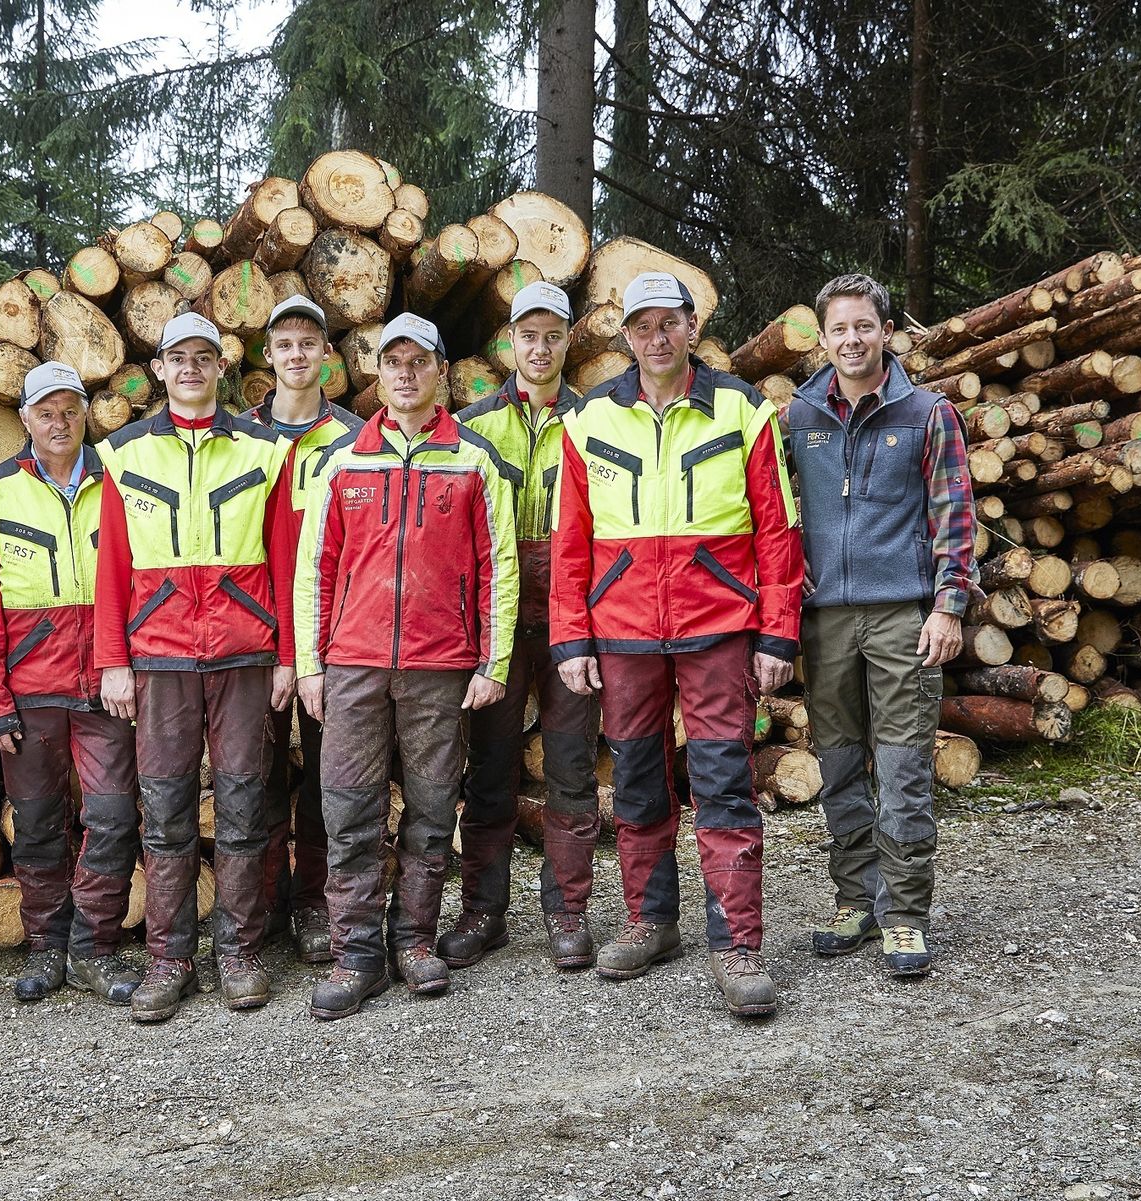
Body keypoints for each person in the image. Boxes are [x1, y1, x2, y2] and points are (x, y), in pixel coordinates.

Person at [550, 272, 802, 1018]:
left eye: (669, 323)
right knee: (636, 782)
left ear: (692, 327)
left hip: (718, 624)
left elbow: (778, 532)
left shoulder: (743, 408)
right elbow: (570, 541)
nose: (656, 339)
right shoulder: (589, 419)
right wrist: (571, 638)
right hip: (623, 629)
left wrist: (778, 630)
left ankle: (737, 941)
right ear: (624, 335)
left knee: (724, 780)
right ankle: (650, 920)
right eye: (642, 326)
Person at [292, 312, 519, 1020]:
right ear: (377, 373)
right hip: (353, 665)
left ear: (440, 371)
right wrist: (309, 663)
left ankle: (415, 940)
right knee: (350, 811)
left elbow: (499, 567)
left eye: (418, 360)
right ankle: (358, 954)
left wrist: (495, 659)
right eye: (393, 361)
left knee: (428, 809)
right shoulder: (343, 460)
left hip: (440, 665)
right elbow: (313, 571)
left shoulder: (474, 460)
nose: (405, 372)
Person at [94, 311, 295, 1023]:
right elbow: (111, 566)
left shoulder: (266, 451)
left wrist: (290, 656)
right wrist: (111, 659)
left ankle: (237, 953)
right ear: (158, 369)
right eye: (177, 357)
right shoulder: (121, 454)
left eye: (203, 357)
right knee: (167, 811)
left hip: (245, 652)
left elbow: (285, 555)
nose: (189, 368)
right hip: (159, 656)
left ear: (221, 367)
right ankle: (168, 959)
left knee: (243, 806)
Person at [786, 273, 977, 977]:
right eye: (839, 328)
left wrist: (949, 605)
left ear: (887, 332)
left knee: (900, 771)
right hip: (825, 620)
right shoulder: (799, 416)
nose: (852, 339)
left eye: (864, 325)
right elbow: (774, 511)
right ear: (823, 336)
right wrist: (786, 576)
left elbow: (955, 517)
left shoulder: (927, 413)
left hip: (904, 615)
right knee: (838, 767)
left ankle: (905, 915)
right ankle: (854, 901)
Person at [0, 361, 143, 1006]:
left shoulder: (119, 479)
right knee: (37, 823)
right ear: (25, 418)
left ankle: (94, 946)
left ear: (84, 414)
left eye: (69, 410)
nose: (58, 423)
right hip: (28, 688)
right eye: (45, 412)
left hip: (104, 685)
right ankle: (46, 946)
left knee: (114, 817)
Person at [448, 281, 603, 971]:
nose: (539, 349)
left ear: (569, 340)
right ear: (508, 341)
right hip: (498, 614)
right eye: (527, 336)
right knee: (489, 770)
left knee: (570, 767)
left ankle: (568, 912)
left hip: (573, 610)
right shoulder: (473, 424)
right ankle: (483, 911)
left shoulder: (597, 421)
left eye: (552, 335)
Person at [249, 295, 364, 964]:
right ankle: (261, 911)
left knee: (331, 781)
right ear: (269, 355)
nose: (297, 354)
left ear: (327, 356)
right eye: (284, 343)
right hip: (257, 637)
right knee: (254, 782)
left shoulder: (355, 439)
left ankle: (319, 906)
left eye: (308, 343)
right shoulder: (239, 437)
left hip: (335, 636)